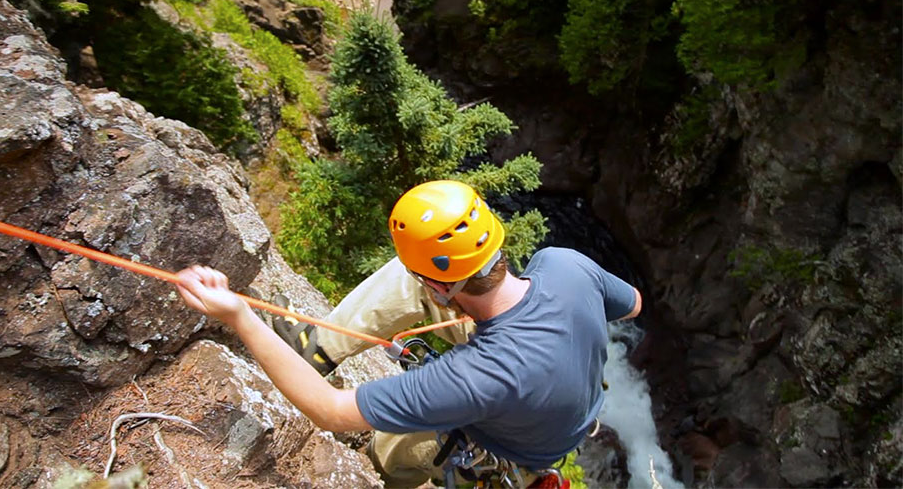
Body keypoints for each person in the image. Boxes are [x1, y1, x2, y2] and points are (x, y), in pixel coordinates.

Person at [175, 180, 641, 488]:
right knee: (406, 275)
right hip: (555, 407)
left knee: (389, 450)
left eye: (428, 281)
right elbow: (632, 304)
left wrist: (240, 315)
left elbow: (331, 411)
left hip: (509, 441)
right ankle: (314, 348)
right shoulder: (563, 264)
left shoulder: (476, 375)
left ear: (441, 286)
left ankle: (384, 477)